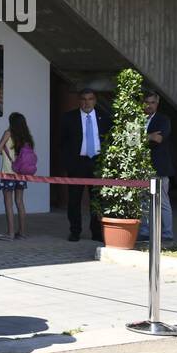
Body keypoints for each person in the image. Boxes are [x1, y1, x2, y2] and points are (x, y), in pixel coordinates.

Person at [57, 88, 111, 242]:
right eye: (84, 99)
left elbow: (110, 141)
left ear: (95, 100)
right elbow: (61, 142)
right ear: (79, 100)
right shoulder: (68, 118)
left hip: (97, 163)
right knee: (74, 200)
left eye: (90, 99)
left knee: (97, 200)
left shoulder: (105, 117)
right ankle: (75, 231)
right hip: (77, 164)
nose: (87, 102)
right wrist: (68, 164)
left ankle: (96, 232)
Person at [138, 91, 174, 243]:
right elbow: (130, 140)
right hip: (140, 167)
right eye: (146, 102)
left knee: (162, 202)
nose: (149, 105)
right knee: (143, 201)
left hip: (158, 167)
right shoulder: (137, 119)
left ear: (157, 104)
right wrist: (148, 136)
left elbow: (158, 139)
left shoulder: (163, 120)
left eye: (152, 102)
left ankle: (167, 234)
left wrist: (141, 137)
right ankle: (145, 232)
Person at [0, 112, 34, 240]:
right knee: (20, 202)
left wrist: (6, 153)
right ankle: (22, 232)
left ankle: (10, 233)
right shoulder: (27, 137)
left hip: (8, 173)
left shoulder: (8, 133)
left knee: (8, 203)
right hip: (21, 174)